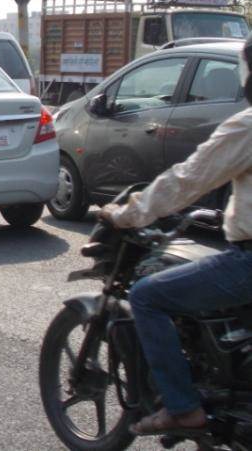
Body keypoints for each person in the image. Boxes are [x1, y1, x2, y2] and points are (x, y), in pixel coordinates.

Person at [100, 32, 252, 435]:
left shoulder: (247, 126)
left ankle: (183, 409)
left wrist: (128, 214)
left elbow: (187, 180)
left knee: (148, 296)